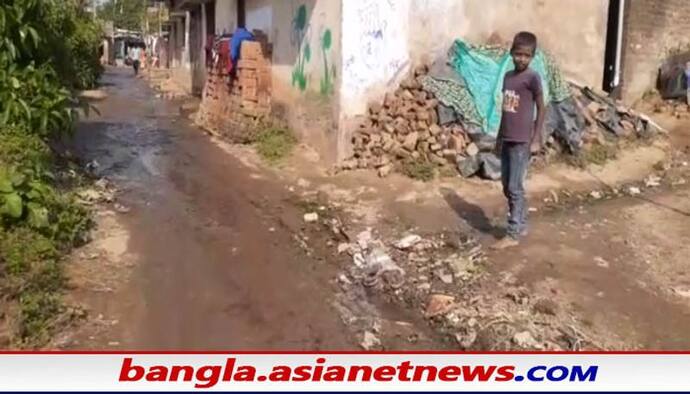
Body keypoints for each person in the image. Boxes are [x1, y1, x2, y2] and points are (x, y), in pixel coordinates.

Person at [491, 31, 545, 250]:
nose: (521, 58)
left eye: (526, 55)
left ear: (532, 56)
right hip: (507, 138)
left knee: (514, 187)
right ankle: (521, 223)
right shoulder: (508, 77)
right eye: (518, 54)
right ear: (511, 53)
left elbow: (542, 106)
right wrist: (498, 138)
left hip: (522, 141)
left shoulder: (532, 78)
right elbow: (506, 110)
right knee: (507, 186)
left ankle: (513, 233)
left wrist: (536, 138)